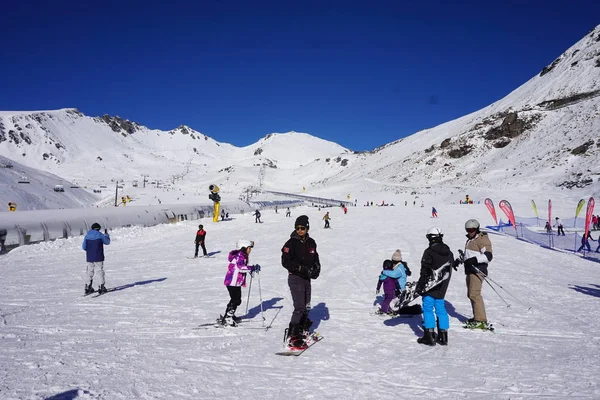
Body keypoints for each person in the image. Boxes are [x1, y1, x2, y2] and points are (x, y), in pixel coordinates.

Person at [281, 215, 321, 350]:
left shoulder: (311, 242)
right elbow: (285, 261)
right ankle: (292, 336)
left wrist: (316, 268)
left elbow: (315, 257)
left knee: (306, 305)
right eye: (297, 228)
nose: (300, 230)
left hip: (306, 277)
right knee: (299, 307)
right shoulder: (290, 243)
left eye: (302, 228)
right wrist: (299, 268)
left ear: (307, 228)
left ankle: (302, 329)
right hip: (295, 277)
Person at [415, 227, 454, 346]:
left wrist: (420, 286)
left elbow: (425, 270)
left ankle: (429, 336)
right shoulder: (448, 251)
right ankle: (443, 337)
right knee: (440, 308)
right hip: (443, 285)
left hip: (430, 284)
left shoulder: (429, 252)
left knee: (427, 308)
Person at [461, 219, 493, 330]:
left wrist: (474, 260)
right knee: (471, 294)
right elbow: (468, 256)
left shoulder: (482, 239)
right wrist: (459, 260)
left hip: (477, 270)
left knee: (474, 294)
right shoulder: (471, 240)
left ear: (477, 229)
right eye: (468, 230)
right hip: (470, 270)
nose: (470, 232)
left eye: (472, 230)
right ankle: (477, 318)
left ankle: (481, 320)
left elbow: (488, 256)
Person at [220, 240, 260, 326]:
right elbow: (240, 268)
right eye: (249, 248)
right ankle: (228, 317)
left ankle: (229, 315)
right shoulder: (240, 256)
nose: (250, 250)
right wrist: (252, 268)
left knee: (235, 299)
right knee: (236, 300)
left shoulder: (242, 256)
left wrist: (250, 269)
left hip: (234, 282)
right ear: (244, 248)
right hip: (233, 282)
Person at [82, 223, 111, 295]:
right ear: (98, 228)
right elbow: (107, 242)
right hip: (98, 256)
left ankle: (88, 287)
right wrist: (106, 235)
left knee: (89, 271)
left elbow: (84, 247)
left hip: (89, 257)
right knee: (99, 271)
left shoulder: (87, 236)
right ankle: (101, 287)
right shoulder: (100, 235)